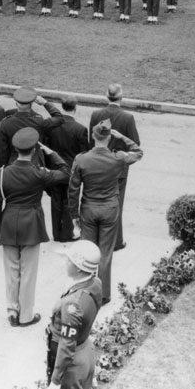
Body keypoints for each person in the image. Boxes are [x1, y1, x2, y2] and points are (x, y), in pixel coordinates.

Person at [0, 128, 70, 326]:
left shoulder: (2, 173)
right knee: (28, 272)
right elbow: (66, 172)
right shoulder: (40, 173)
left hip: (8, 223)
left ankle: (12, 310)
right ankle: (26, 315)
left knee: (11, 270)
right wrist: (52, 153)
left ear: (15, 149)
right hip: (31, 224)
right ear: (34, 150)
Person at [68, 120, 144, 306]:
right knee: (105, 253)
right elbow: (139, 152)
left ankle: (85, 291)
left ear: (93, 136)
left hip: (89, 208)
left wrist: (74, 215)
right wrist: (122, 137)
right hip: (109, 208)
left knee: (87, 251)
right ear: (109, 137)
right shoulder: (117, 157)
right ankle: (102, 294)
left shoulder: (81, 159)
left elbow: (73, 190)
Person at [45, 240, 103, 389]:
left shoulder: (72, 304)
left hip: (71, 364)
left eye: (69, 260)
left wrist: (55, 381)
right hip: (85, 351)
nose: (65, 262)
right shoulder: (95, 283)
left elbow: (66, 346)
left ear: (78, 267)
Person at [88, 84, 141, 251]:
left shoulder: (96, 114)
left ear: (106, 96)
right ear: (121, 97)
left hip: (97, 164)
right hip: (118, 166)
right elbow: (135, 144)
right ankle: (116, 241)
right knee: (116, 204)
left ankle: (96, 238)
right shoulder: (127, 117)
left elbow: (91, 140)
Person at [44, 95, 88, 243]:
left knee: (56, 201)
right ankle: (67, 233)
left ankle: (56, 233)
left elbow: (46, 148)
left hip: (55, 168)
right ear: (75, 108)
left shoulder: (52, 127)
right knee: (70, 201)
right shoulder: (80, 129)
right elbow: (84, 154)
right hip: (72, 170)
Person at [0, 87, 65, 166]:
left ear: (16, 103)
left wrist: (5, 168)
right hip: (35, 164)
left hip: (13, 164)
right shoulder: (39, 122)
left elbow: (3, 151)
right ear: (32, 104)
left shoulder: (5, 123)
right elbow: (59, 118)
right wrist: (45, 103)